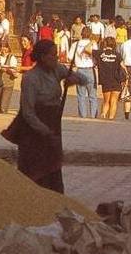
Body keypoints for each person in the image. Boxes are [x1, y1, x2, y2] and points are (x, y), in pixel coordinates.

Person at [15, 39, 89, 193]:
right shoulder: (30, 78)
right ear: (42, 57)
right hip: (34, 129)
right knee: (35, 169)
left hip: (53, 123)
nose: (56, 58)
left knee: (52, 167)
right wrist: (44, 131)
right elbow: (27, 112)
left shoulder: (57, 69)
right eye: (53, 55)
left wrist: (73, 80)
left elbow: (85, 79)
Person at [67, 26, 98, 118]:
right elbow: (96, 56)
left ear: (81, 34)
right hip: (90, 70)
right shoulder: (93, 44)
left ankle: (83, 115)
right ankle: (93, 115)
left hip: (79, 70)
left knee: (81, 95)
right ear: (90, 34)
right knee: (92, 95)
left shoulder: (75, 44)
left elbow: (69, 58)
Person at [95, 37, 126, 120]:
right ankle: (111, 118)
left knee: (106, 101)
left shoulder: (100, 53)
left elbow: (87, 49)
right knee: (114, 101)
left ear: (105, 44)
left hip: (105, 80)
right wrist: (125, 79)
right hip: (116, 80)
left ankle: (103, 114)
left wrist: (92, 41)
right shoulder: (118, 54)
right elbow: (123, 67)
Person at [0, 44, 18, 113]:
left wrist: (7, 69)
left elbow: (14, 69)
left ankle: (3, 112)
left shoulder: (12, 58)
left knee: (4, 102)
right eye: (2, 48)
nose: (4, 50)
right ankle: (2, 110)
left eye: (5, 48)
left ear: (8, 49)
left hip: (8, 82)